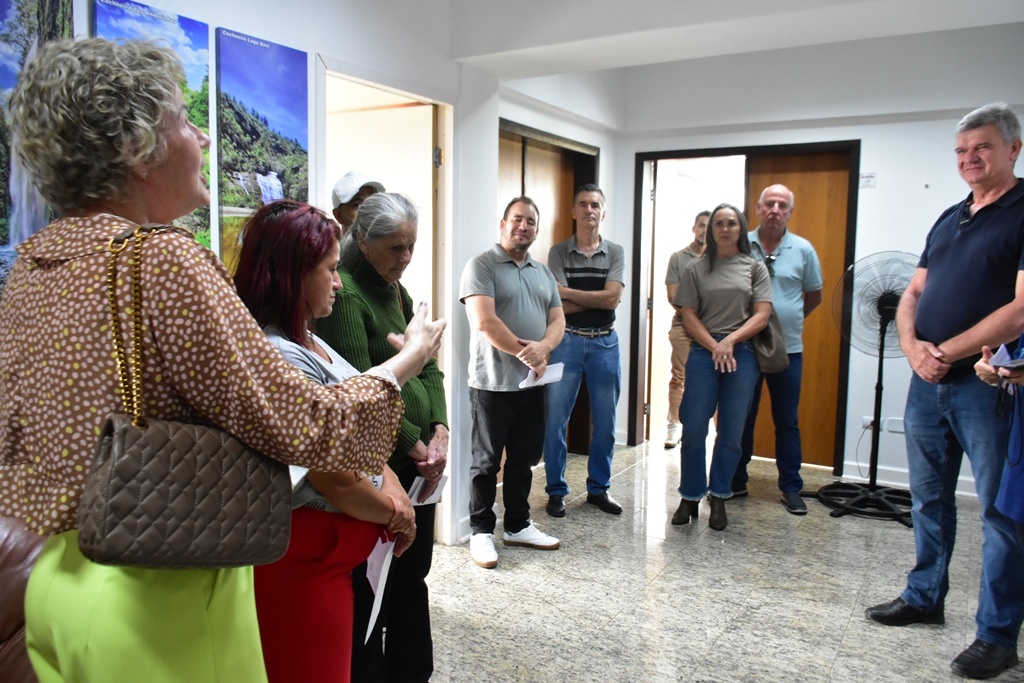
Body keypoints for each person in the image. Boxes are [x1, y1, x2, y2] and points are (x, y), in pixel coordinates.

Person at [0, 38, 443, 683]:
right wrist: (404, 367)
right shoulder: (159, 258)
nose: (204, 135)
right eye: (184, 119)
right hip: (155, 592)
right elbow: (303, 422)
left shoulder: (36, 263)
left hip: (56, 581)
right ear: (137, 148)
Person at [865, 102, 1024, 681]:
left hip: (988, 386)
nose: (969, 158)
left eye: (981, 147)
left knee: (1001, 513)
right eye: (960, 150)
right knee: (928, 499)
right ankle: (924, 596)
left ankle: (997, 636)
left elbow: (1021, 308)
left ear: (1013, 149)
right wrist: (913, 350)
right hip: (926, 385)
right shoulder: (949, 216)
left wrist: (946, 352)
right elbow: (911, 293)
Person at [233, 199, 418, 683]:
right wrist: (394, 511)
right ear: (292, 274)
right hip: (305, 565)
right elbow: (332, 474)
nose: (339, 282)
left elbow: (356, 434)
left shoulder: (309, 340)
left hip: (334, 563)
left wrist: (392, 484)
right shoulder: (279, 354)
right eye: (331, 270)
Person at [318, 193, 448, 683]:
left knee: (413, 577)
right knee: (374, 586)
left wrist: (440, 428)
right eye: (396, 247)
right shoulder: (347, 297)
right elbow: (359, 390)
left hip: (420, 464)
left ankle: (412, 671)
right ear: (364, 241)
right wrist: (415, 443)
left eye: (412, 245)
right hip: (384, 466)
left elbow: (427, 364)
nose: (407, 257)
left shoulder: (396, 290)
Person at [460, 196, 565, 568]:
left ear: (536, 230)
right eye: (517, 219)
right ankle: (481, 531)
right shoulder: (481, 265)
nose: (524, 226)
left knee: (524, 459)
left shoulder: (543, 273)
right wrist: (529, 354)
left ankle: (518, 525)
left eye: (531, 221)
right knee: (486, 462)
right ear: (503, 224)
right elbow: (485, 322)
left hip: (533, 384)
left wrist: (545, 347)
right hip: (491, 384)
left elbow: (557, 320)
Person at [671, 204, 772, 532]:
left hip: (741, 354)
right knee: (694, 428)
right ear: (710, 230)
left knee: (731, 431)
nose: (725, 229)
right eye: (718, 223)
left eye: (731, 223)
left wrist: (730, 341)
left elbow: (762, 314)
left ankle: (719, 496)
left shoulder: (754, 267)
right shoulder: (696, 268)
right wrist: (715, 345)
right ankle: (689, 496)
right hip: (704, 354)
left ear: (741, 228)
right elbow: (688, 314)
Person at [732, 185, 823, 514]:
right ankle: (735, 480)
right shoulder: (740, 245)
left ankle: (791, 487)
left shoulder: (803, 250)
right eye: (769, 204)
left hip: (788, 351)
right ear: (758, 208)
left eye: (782, 205)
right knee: (742, 417)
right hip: (746, 348)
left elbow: (813, 296)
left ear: (790, 212)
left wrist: (782, 322)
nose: (775, 210)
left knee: (786, 420)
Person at [543, 184, 626, 517]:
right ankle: (556, 490)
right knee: (555, 421)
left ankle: (599, 489)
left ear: (603, 212)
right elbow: (558, 306)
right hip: (566, 341)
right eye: (583, 204)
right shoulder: (558, 252)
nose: (589, 209)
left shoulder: (615, 252)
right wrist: (597, 299)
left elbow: (612, 299)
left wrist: (568, 292)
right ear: (573, 211)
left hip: (605, 343)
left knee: (605, 423)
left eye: (595, 205)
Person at [663, 210, 709, 448]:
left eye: (708, 226)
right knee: (679, 377)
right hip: (682, 324)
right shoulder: (678, 258)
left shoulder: (718, 258)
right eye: (701, 225)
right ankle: (674, 425)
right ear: (694, 228)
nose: (704, 230)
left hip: (711, 328)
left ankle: (703, 428)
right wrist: (693, 317)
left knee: (708, 379)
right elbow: (673, 296)